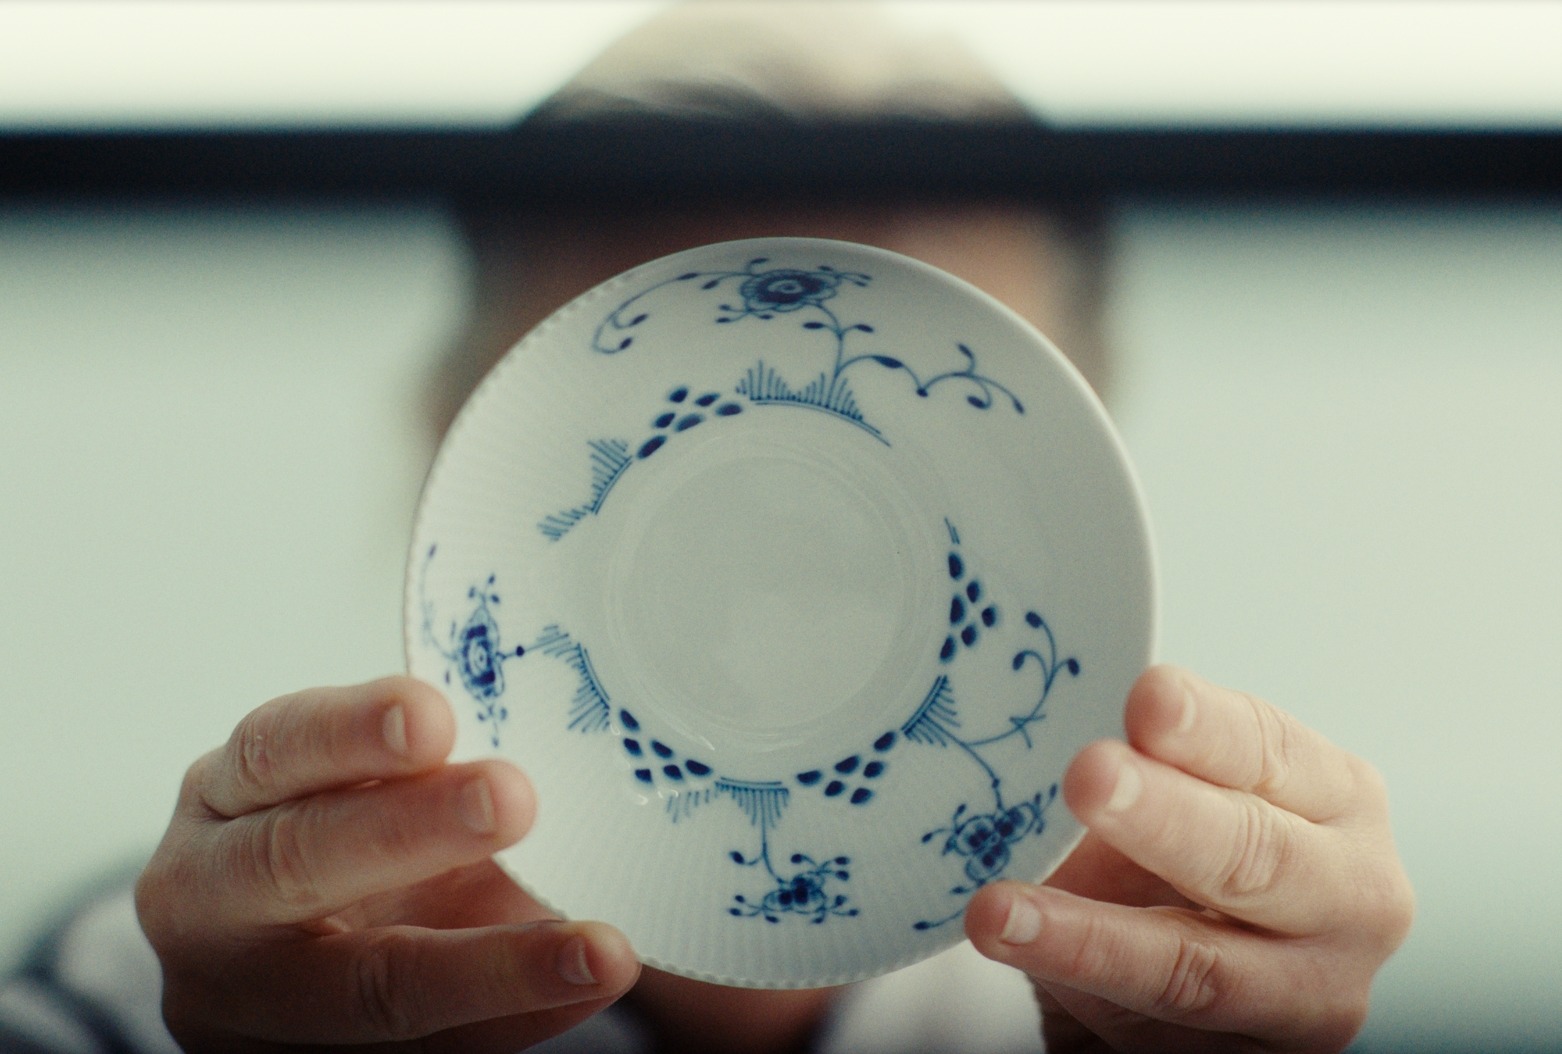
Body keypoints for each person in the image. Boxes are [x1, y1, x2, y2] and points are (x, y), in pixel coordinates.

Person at [4, 5, 1414, 1053]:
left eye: (948, 408)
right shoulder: (171, 995)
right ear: (448, 427)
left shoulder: (1179, 995)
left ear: (1094, 457)